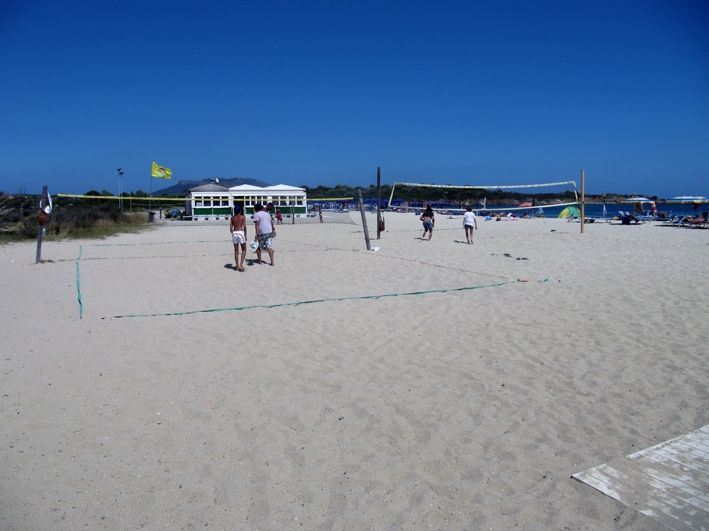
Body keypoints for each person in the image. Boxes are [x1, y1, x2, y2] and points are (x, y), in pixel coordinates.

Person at [230, 205, 247, 271]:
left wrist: (233, 234)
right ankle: (241, 265)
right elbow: (245, 227)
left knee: (236, 251)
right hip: (240, 232)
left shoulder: (232, 218)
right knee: (244, 249)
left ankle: (237, 266)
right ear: (240, 211)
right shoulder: (243, 217)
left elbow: (230, 229)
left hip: (234, 233)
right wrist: (245, 235)